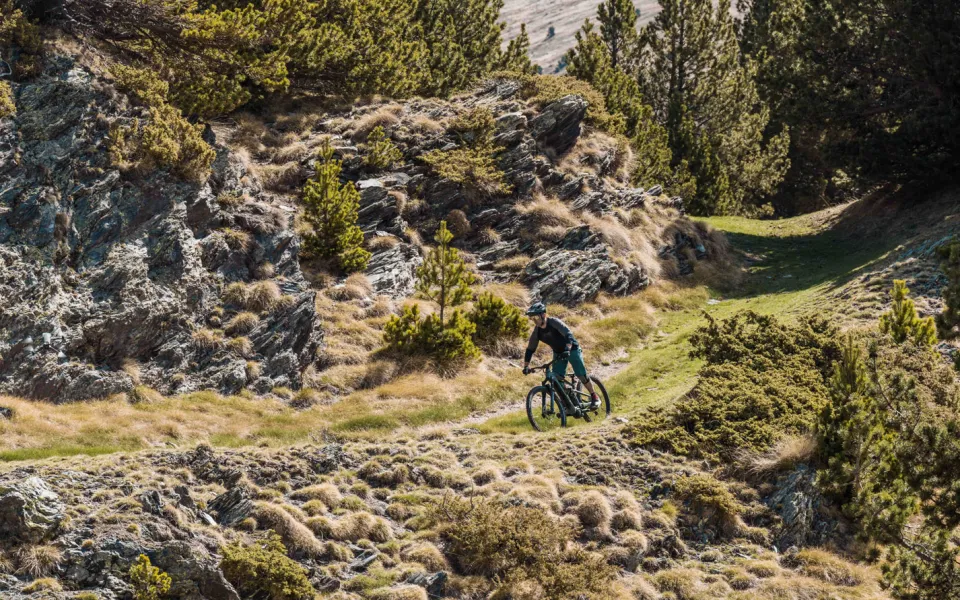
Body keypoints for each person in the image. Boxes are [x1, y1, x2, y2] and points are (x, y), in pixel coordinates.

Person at [521, 302, 600, 410]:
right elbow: (530, 349)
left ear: (543, 315)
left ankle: (594, 396)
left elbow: (568, 334)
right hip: (558, 353)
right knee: (557, 379)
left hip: (572, 349)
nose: (534, 320)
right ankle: (570, 401)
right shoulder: (537, 331)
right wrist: (526, 366)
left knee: (581, 374)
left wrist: (567, 349)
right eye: (532, 318)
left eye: (535, 317)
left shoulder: (554, 322)